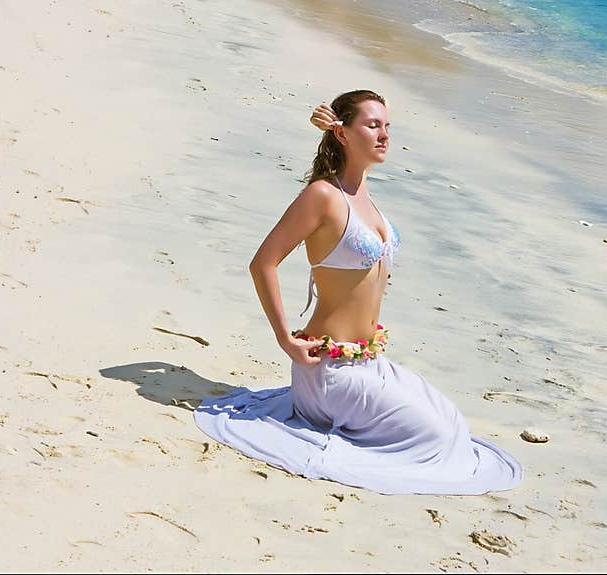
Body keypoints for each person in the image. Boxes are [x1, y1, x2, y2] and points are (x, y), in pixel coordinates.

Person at [193, 89, 522, 495]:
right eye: (372, 125)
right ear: (343, 133)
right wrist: (285, 339)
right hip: (328, 370)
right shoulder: (323, 196)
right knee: (437, 440)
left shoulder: (363, 196)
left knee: (453, 424)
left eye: (387, 126)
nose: (384, 135)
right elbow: (263, 263)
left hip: (368, 362)